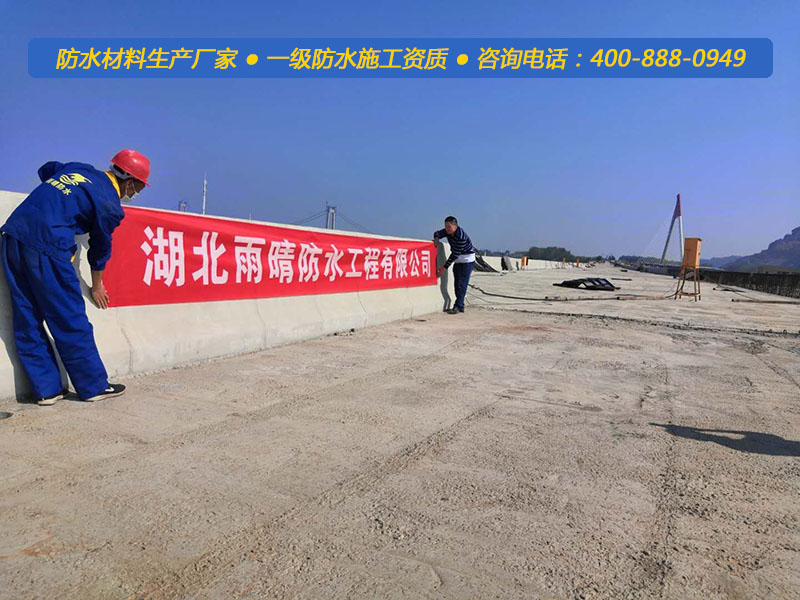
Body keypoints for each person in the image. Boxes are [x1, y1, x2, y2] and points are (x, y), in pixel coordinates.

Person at [1, 149, 150, 405]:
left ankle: (46, 390)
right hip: (48, 245)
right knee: (68, 316)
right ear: (129, 182)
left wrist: (62, 198)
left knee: (26, 315)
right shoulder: (109, 204)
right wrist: (97, 285)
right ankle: (93, 386)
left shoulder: (79, 168)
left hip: (14, 235)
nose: (136, 193)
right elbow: (100, 249)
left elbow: (46, 169)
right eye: (139, 187)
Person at [433, 216, 475, 314]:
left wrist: (443, 269)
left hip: (466, 260)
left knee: (462, 284)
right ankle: (460, 306)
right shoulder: (447, 232)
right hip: (458, 260)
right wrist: (436, 238)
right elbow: (437, 233)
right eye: (446, 227)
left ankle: (458, 306)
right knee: (456, 284)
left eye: (449, 227)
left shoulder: (461, 237)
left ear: (455, 226)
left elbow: (454, 254)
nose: (447, 229)